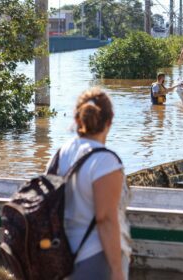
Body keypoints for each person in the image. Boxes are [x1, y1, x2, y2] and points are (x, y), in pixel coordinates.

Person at [47, 88, 130, 280]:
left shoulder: (60, 154)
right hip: (94, 257)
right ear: (110, 122)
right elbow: (105, 219)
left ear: (77, 119)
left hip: (59, 256)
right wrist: (117, 270)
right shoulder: (106, 162)